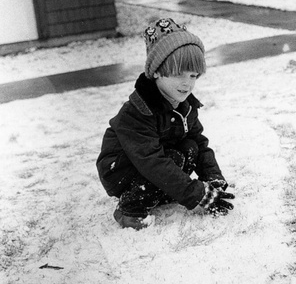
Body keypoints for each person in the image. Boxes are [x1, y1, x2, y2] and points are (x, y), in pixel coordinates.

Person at [97, 17, 234, 230]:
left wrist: (213, 178)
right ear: (157, 71)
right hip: (121, 170)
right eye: (179, 74)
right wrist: (196, 195)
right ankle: (129, 209)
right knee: (172, 158)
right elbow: (153, 162)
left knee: (190, 147)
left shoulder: (185, 106)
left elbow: (199, 142)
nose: (187, 83)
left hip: (155, 162)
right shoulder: (137, 112)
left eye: (193, 75)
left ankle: (163, 192)